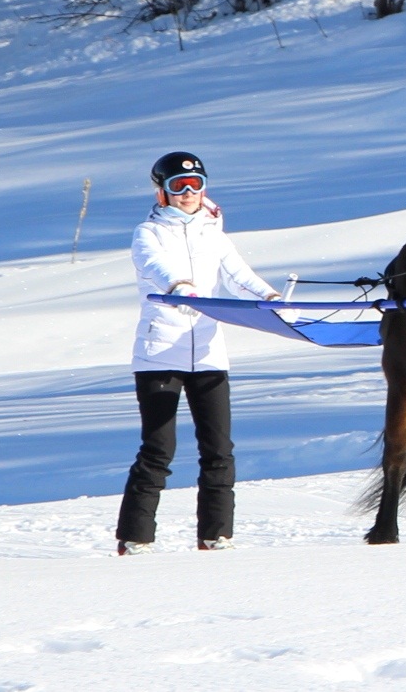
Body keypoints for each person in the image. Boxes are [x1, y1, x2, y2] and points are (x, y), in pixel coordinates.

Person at [116, 151, 280, 555]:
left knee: (218, 448)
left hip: (208, 353)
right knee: (158, 449)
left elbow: (240, 276)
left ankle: (217, 534)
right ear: (162, 192)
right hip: (160, 355)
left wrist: (272, 298)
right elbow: (155, 266)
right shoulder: (147, 233)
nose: (188, 193)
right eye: (178, 186)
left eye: (196, 185)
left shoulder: (213, 233)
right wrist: (181, 287)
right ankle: (135, 538)